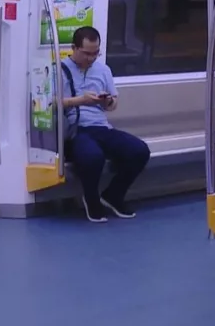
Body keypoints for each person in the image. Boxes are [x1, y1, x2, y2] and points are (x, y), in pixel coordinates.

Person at [60, 26, 151, 223]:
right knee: (93, 157)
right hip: (76, 129)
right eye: (87, 53)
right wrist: (80, 100)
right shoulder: (59, 70)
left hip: (101, 126)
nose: (92, 58)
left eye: (96, 53)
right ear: (74, 48)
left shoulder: (103, 70)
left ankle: (113, 195)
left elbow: (113, 104)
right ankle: (91, 198)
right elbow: (50, 103)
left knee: (140, 151)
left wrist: (107, 101)